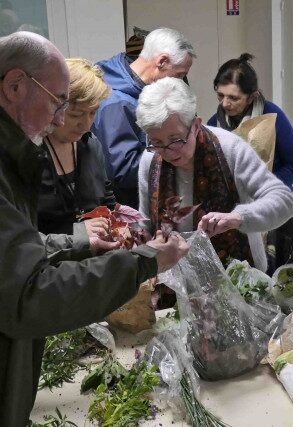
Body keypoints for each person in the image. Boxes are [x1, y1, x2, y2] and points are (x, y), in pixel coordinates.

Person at [0, 31, 188, 426]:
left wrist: (87, 238)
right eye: (59, 104)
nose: (59, 119)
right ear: (15, 86)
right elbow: (29, 295)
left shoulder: (31, 150)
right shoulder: (19, 158)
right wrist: (144, 262)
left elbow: (22, 248)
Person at [138, 77, 293, 272]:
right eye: (157, 142)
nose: (168, 151)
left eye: (176, 139)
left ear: (196, 125)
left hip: (237, 272)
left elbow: (283, 202)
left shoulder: (231, 149)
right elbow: (145, 219)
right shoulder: (150, 160)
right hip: (175, 276)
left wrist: (238, 218)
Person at [207, 53, 293, 273]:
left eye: (234, 97)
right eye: (220, 95)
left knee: (283, 274)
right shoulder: (215, 123)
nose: (225, 103)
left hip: (274, 207)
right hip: (237, 214)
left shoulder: (272, 116)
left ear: (252, 97)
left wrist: (265, 191)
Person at [92, 27, 195, 208]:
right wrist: (175, 152)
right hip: (129, 209)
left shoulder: (137, 88)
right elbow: (123, 171)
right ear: (162, 61)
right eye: (180, 75)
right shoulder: (117, 104)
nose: (180, 82)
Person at [38, 58, 115, 235]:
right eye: (76, 115)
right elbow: (20, 238)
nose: (86, 125)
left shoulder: (90, 143)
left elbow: (106, 197)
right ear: (53, 107)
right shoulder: (28, 153)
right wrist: (79, 234)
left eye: (93, 113)